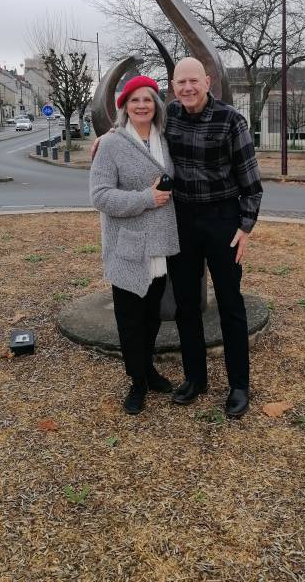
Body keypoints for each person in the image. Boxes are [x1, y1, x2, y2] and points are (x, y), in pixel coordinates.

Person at [92, 58, 263, 418]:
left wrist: (245, 227)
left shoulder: (232, 121)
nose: (187, 88)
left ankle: (239, 386)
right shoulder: (171, 116)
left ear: (207, 81)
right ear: (173, 86)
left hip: (222, 221)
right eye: (180, 82)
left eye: (193, 81)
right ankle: (195, 378)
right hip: (182, 222)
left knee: (231, 304)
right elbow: (134, 128)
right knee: (186, 306)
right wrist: (107, 137)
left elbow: (251, 184)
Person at [90, 75, 180, 415]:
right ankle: (137, 381)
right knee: (130, 320)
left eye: (147, 99)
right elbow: (99, 196)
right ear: (124, 107)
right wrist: (146, 198)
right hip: (127, 246)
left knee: (153, 316)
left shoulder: (165, 139)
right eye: (134, 100)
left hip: (159, 244)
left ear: (156, 105)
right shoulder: (112, 144)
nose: (142, 105)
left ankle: (149, 369)